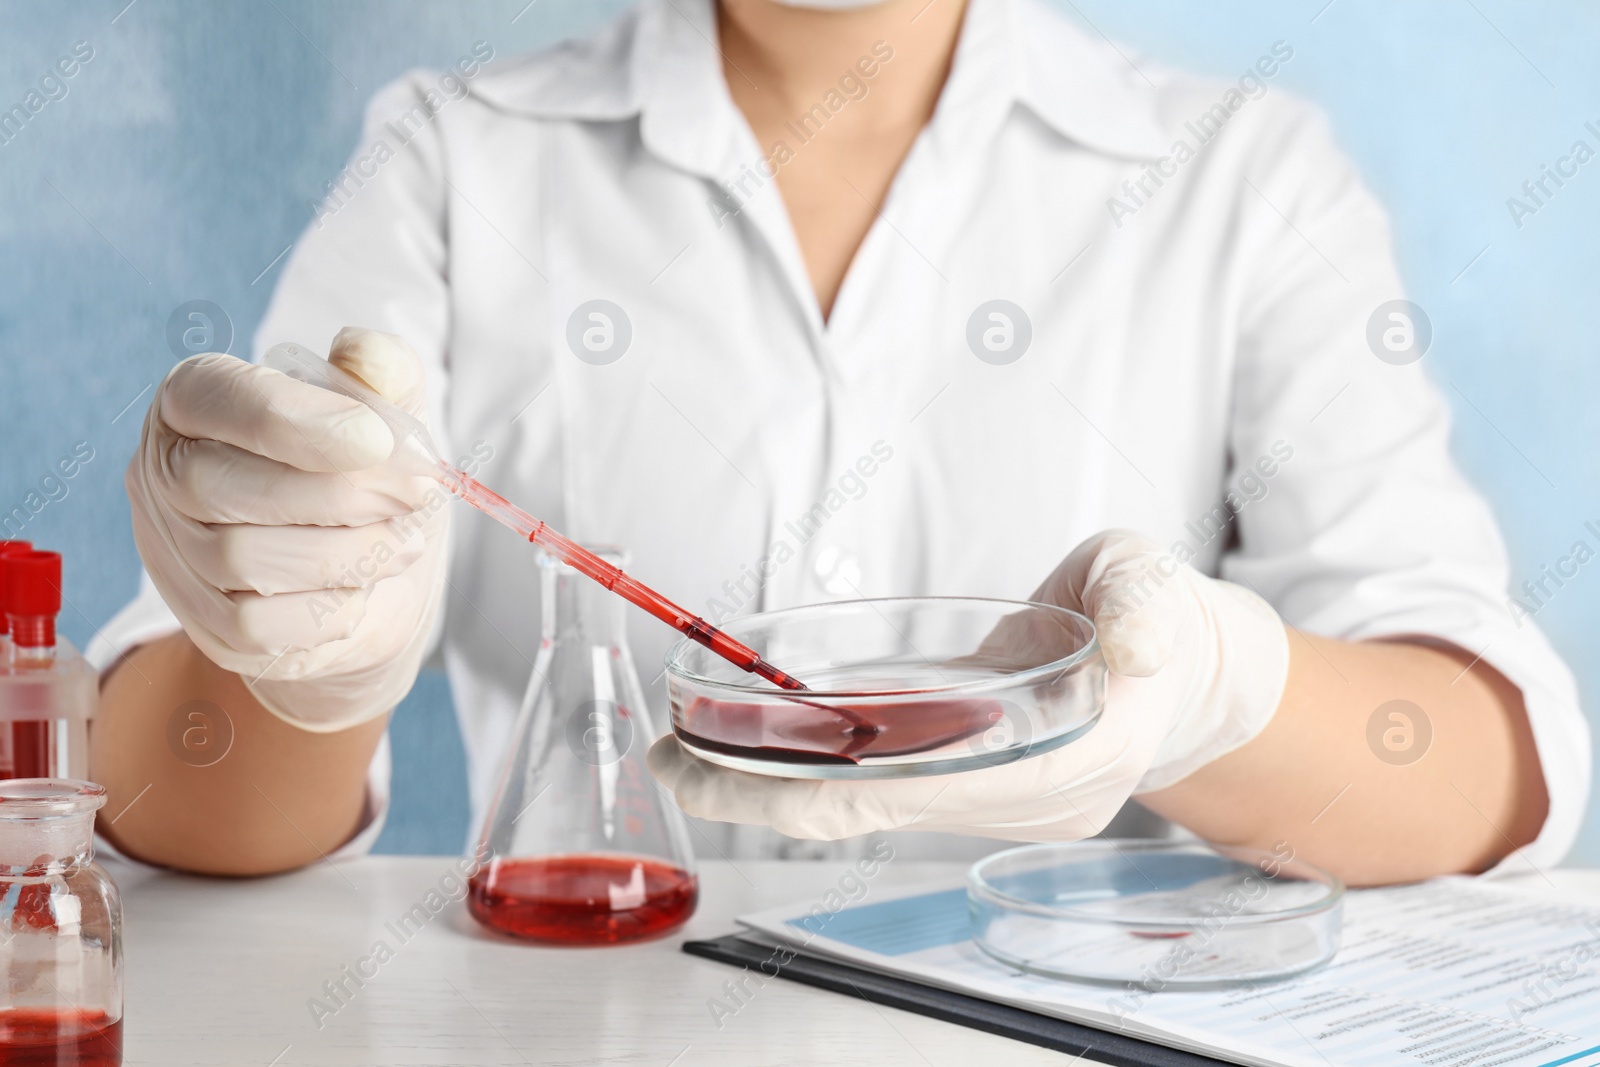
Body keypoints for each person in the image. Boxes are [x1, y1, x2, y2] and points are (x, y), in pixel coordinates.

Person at [93, 0, 1585, 882]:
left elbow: (1483, 761)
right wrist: (301, 653)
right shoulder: (454, 162)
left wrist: (1211, 697)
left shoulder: (1238, 177)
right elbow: (177, 798)